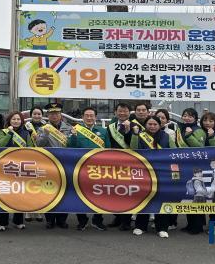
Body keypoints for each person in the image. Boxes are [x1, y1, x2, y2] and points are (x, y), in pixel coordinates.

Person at [129, 115, 175, 238]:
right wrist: (134, 135)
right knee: (144, 198)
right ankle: (140, 226)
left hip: (162, 172)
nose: (152, 126)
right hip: (144, 172)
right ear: (145, 125)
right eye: (149, 124)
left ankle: (162, 227)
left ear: (160, 125)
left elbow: (174, 152)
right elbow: (133, 150)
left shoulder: (166, 136)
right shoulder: (140, 135)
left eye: (155, 124)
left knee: (161, 199)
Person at [68, 107, 110, 231]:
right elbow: (70, 148)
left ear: (95, 117)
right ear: (83, 117)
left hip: (98, 168)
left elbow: (108, 149)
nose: (89, 118)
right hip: (80, 167)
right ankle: (82, 220)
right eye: (87, 115)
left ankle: (98, 220)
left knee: (100, 194)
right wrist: (74, 136)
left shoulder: (103, 131)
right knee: (79, 193)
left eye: (92, 115)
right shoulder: (76, 130)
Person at [0, 111, 35, 231]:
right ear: (9, 121)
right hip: (5, 167)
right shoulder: (3, 132)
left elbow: (31, 149)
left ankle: (18, 221)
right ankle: (3, 222)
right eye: (13, 119)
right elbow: (0, 145)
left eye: (18, 119)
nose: (16, 121)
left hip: (20, 167)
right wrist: (10, 133)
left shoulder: (25, 133)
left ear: (22, 121)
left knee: (19, 195)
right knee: (5, 193)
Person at [36, 102, 72, 229]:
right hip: (49, 164)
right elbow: (38, 145)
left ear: (61, 114)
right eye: (51, 114)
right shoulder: (42, 128)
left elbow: (72, 145)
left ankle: (62, 220)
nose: (54, 116)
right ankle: (50, 219)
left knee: (65, 192)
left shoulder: (69, 127)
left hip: (65, 164)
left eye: (56, 113)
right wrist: (45, 133)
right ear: (48, 115)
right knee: (48, 191)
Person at [175, 108, 206, 235]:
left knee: (197, 195)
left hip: (196, 166)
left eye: (190, 116)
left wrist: (189, 135)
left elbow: (199, 147)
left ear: (195, 118)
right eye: (185, 115)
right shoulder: (180, 128)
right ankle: (190, 223)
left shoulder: (198, 130)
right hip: (183, 165)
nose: (187, 118)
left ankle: (197, 225)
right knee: (188, 193)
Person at [106, 102, 133, 230]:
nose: (122, 113)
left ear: (129, 112)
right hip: (114, 162)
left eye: (125, 111)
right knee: (114, 192)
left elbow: (134, 144)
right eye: (120, 111)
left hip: (130, 163)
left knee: (127, 192)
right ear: (115, 113)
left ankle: (126, 221)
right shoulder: (110, 126)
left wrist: (128, 131)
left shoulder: (135, 126)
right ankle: (117, 217)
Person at [23, 106, 46, 223]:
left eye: (39, 114)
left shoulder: (47, 126)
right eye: (35, 114)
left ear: (42, 115)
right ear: (31, 115)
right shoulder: (26, 126)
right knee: (29, 184)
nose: (37, 116)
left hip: (43, 158)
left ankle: (39, 211)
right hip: (30, 157)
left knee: (40, 185)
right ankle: (28, 211)